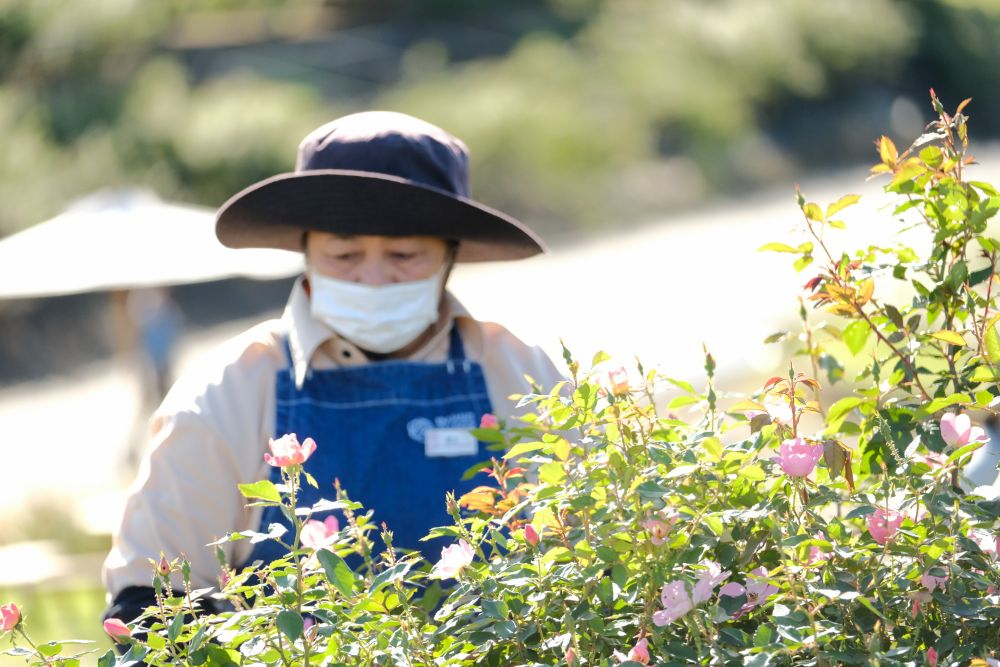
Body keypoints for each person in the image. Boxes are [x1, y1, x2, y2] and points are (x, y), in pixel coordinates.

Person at [102, 111, 563, 623]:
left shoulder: (524, 374)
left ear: (450, 254)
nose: (372, 277)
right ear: (306, 249)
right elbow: (149, 606)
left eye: (404, 254)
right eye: (344, 254)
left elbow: (604, 556)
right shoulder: (224, 394)